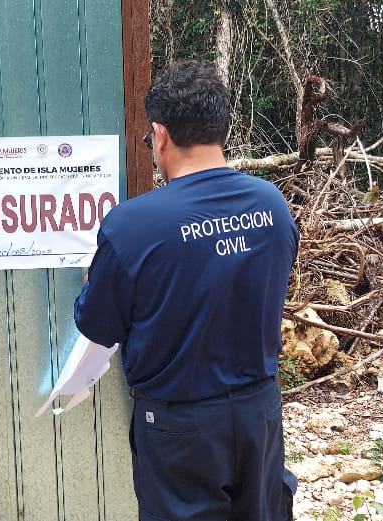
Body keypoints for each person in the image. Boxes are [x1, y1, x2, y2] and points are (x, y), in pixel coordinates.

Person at [74, 60, 300, 520]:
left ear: (160, 134)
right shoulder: (271, 206)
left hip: (181, 426)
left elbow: (98, 324)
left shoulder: (133, 226)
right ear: (223, 129)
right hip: (260, 413)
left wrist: (97, 284)